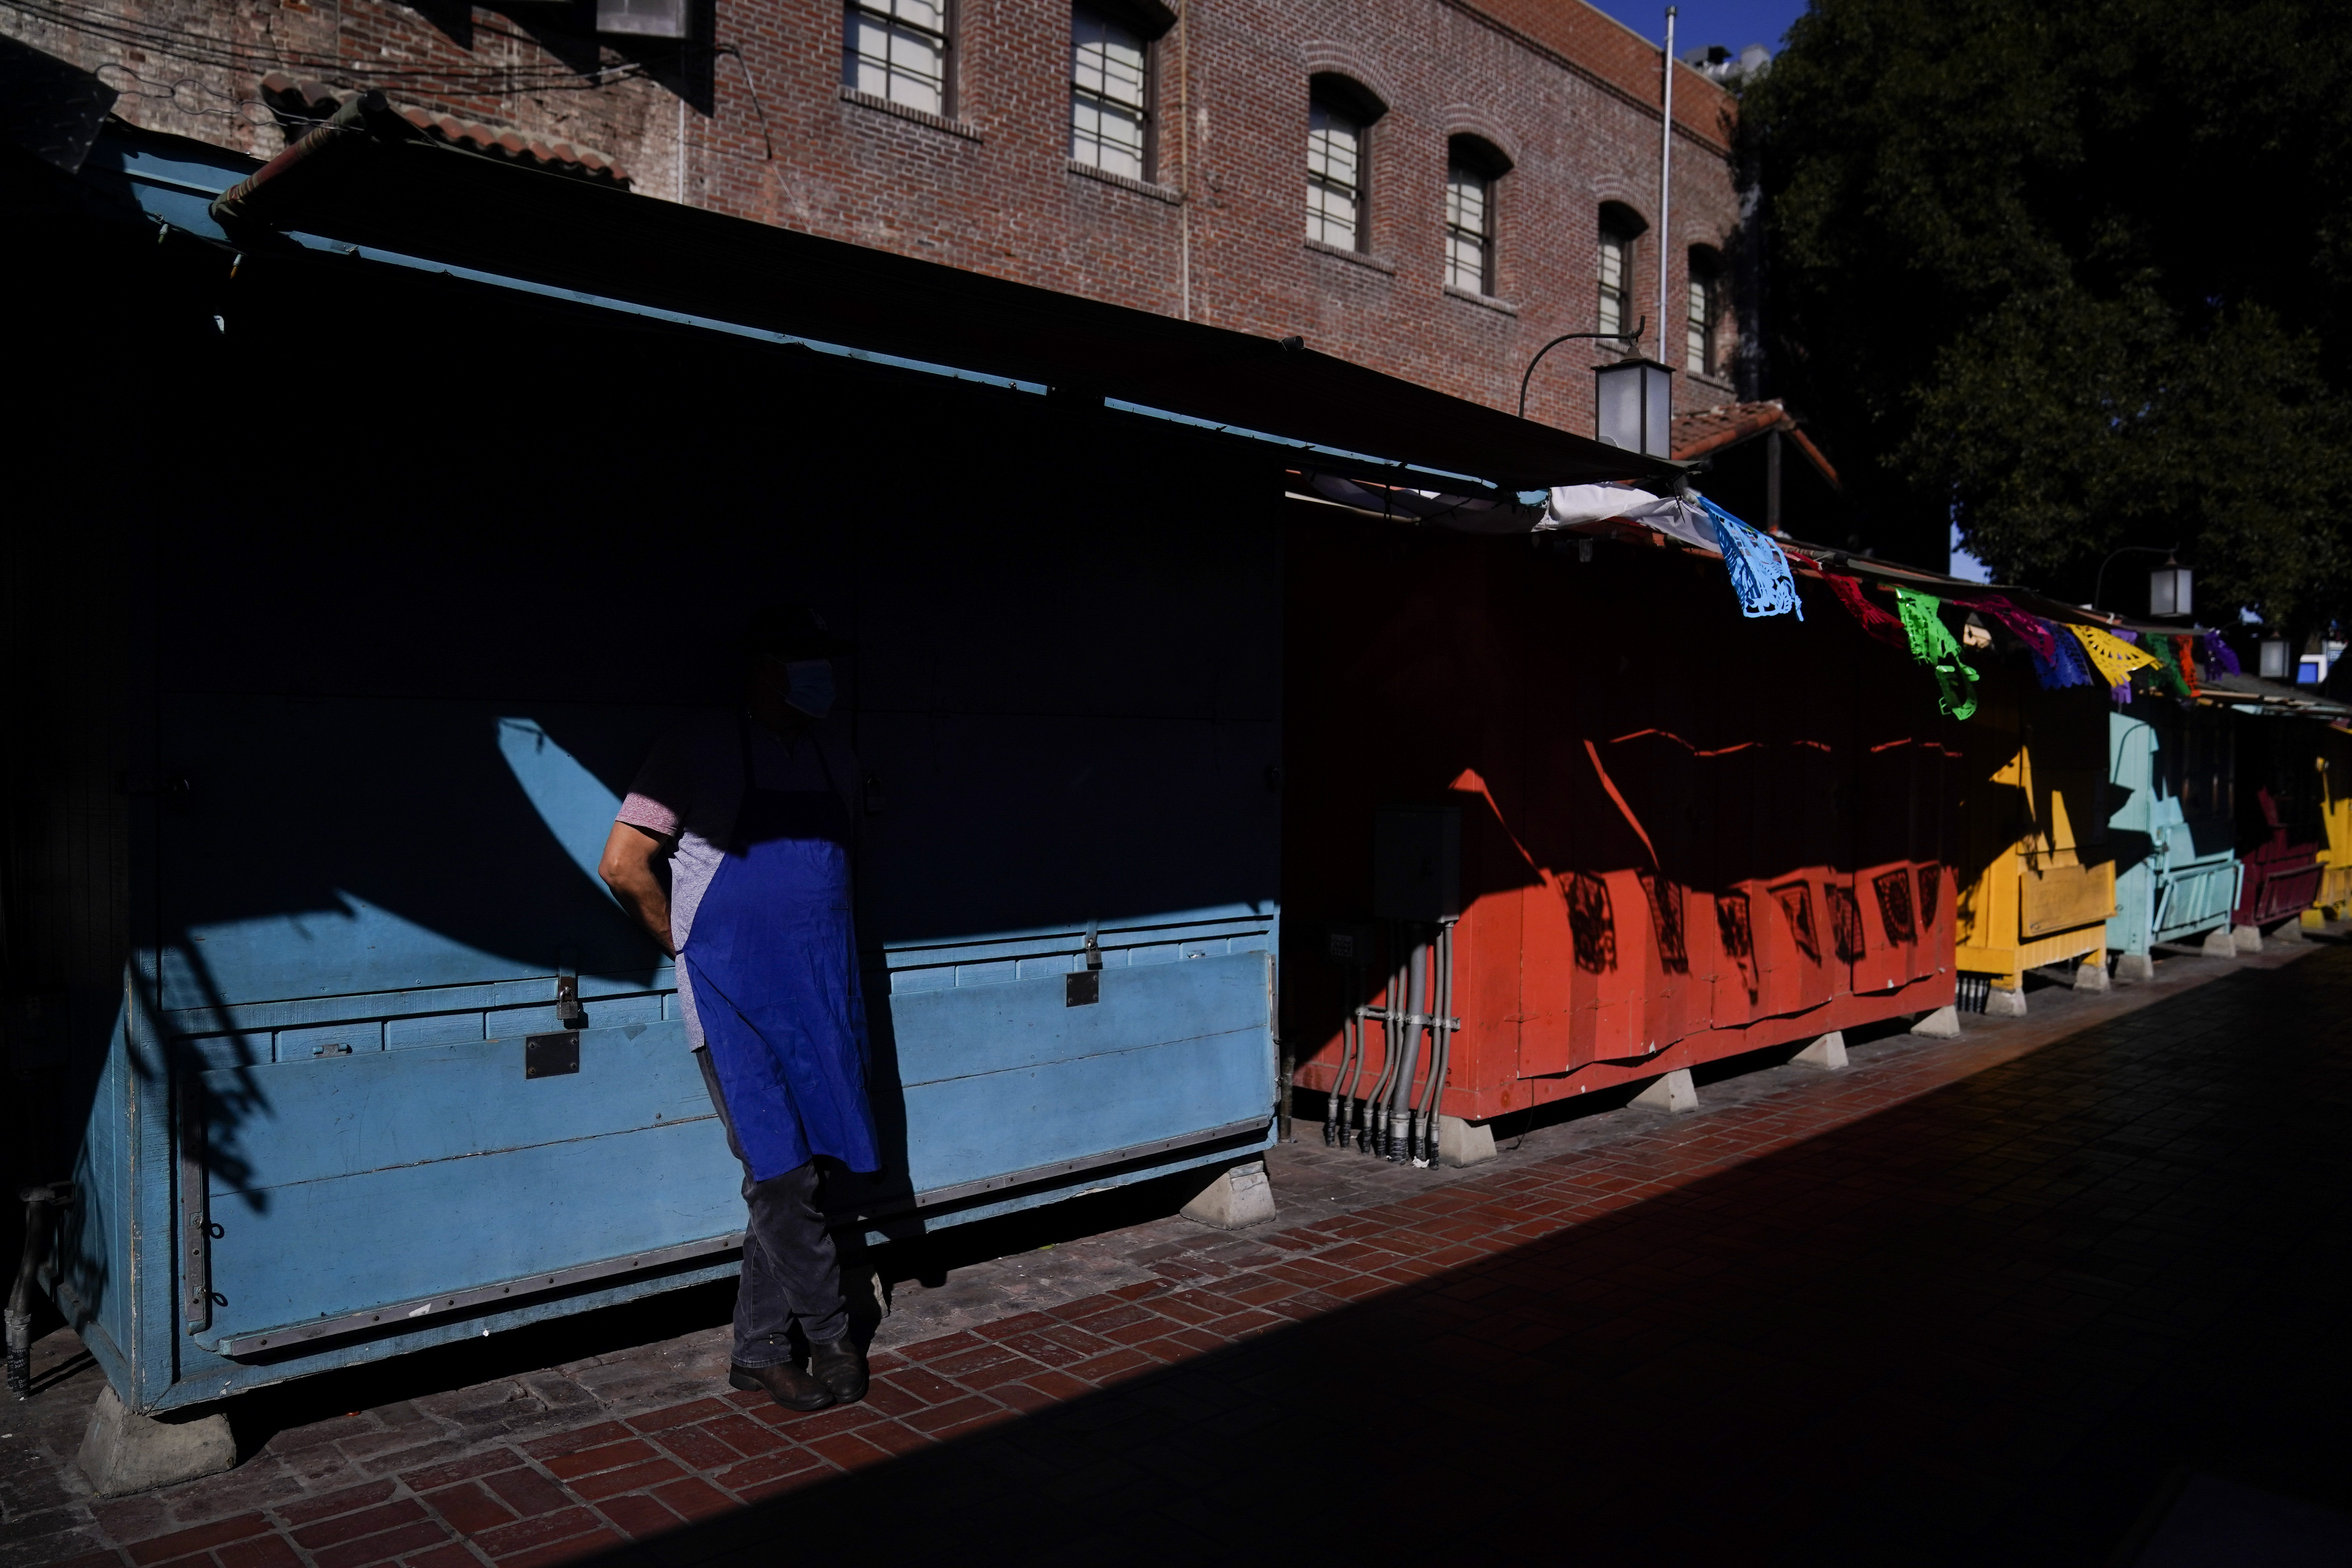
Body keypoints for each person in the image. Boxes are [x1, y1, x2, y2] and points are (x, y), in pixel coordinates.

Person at [598, 605, 879, 1412]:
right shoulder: (693, 749)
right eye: (806, 657)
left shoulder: (836, 755)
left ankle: (756, 1350)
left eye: (828, 657)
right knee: (782, 1173)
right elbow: (624, 863)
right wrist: (684, 948)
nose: (824, 673)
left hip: (820, 995)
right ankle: (829, 1333)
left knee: (804, 1171)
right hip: (733, 1002)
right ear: (765, 667)